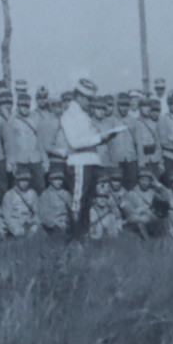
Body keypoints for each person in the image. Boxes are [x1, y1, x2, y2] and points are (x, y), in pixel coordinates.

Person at [61, 79, 124, 237]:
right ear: (79, 96)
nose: (90, 103)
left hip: (91, 161)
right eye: (88, 99)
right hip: (79, 163)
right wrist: (99, 139)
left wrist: (106, 137)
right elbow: (75, 142)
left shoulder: (83, 115)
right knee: (78, 202)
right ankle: (74, 238)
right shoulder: (69, 115)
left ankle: (83, 236)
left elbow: (90, 138)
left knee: (88, 202)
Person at [5, 92, 48, 191]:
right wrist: (11, 162)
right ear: (18, 106)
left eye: (27, 106)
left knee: (40, 185)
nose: (25, 108)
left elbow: (40, 141)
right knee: (21, 186)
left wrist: (45, 160)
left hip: (35, 158)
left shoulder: (36, 118)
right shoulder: (12, 120)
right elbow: (10, 143)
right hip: (20, 159)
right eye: (22, 106)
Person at [2, 167, 42, 238]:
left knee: (36, 227)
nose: (25, 183)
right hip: (16, 220)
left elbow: (37, 211)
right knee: (17, 230)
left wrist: (34, 220)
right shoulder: (9, 194)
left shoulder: (32, 193)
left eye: (27, 181)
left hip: (29, 220)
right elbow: (6, 216)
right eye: (22, 181)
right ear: (16, 181)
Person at [37, 166, 73, 234]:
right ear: (50, 180)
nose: (59, 182)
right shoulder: (45, 195)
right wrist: (55, 223)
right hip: (52, 224)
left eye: (61, 179)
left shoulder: (66, 194)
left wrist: (67, 221)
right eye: (56, 179)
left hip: (65, 222)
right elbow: (43, 215)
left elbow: (72, 209)